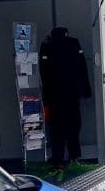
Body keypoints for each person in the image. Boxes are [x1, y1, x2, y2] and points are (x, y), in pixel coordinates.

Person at [39, 27, 92, 171]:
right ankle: (74, 157)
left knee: (57, 128)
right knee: (73, 126)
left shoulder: (47, 46)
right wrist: (86, 90)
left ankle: (58, 159)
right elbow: (82, 67)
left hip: (54, 95)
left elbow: (43, 71)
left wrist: (45, 95)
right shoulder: (74, 43)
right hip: (72, 94)